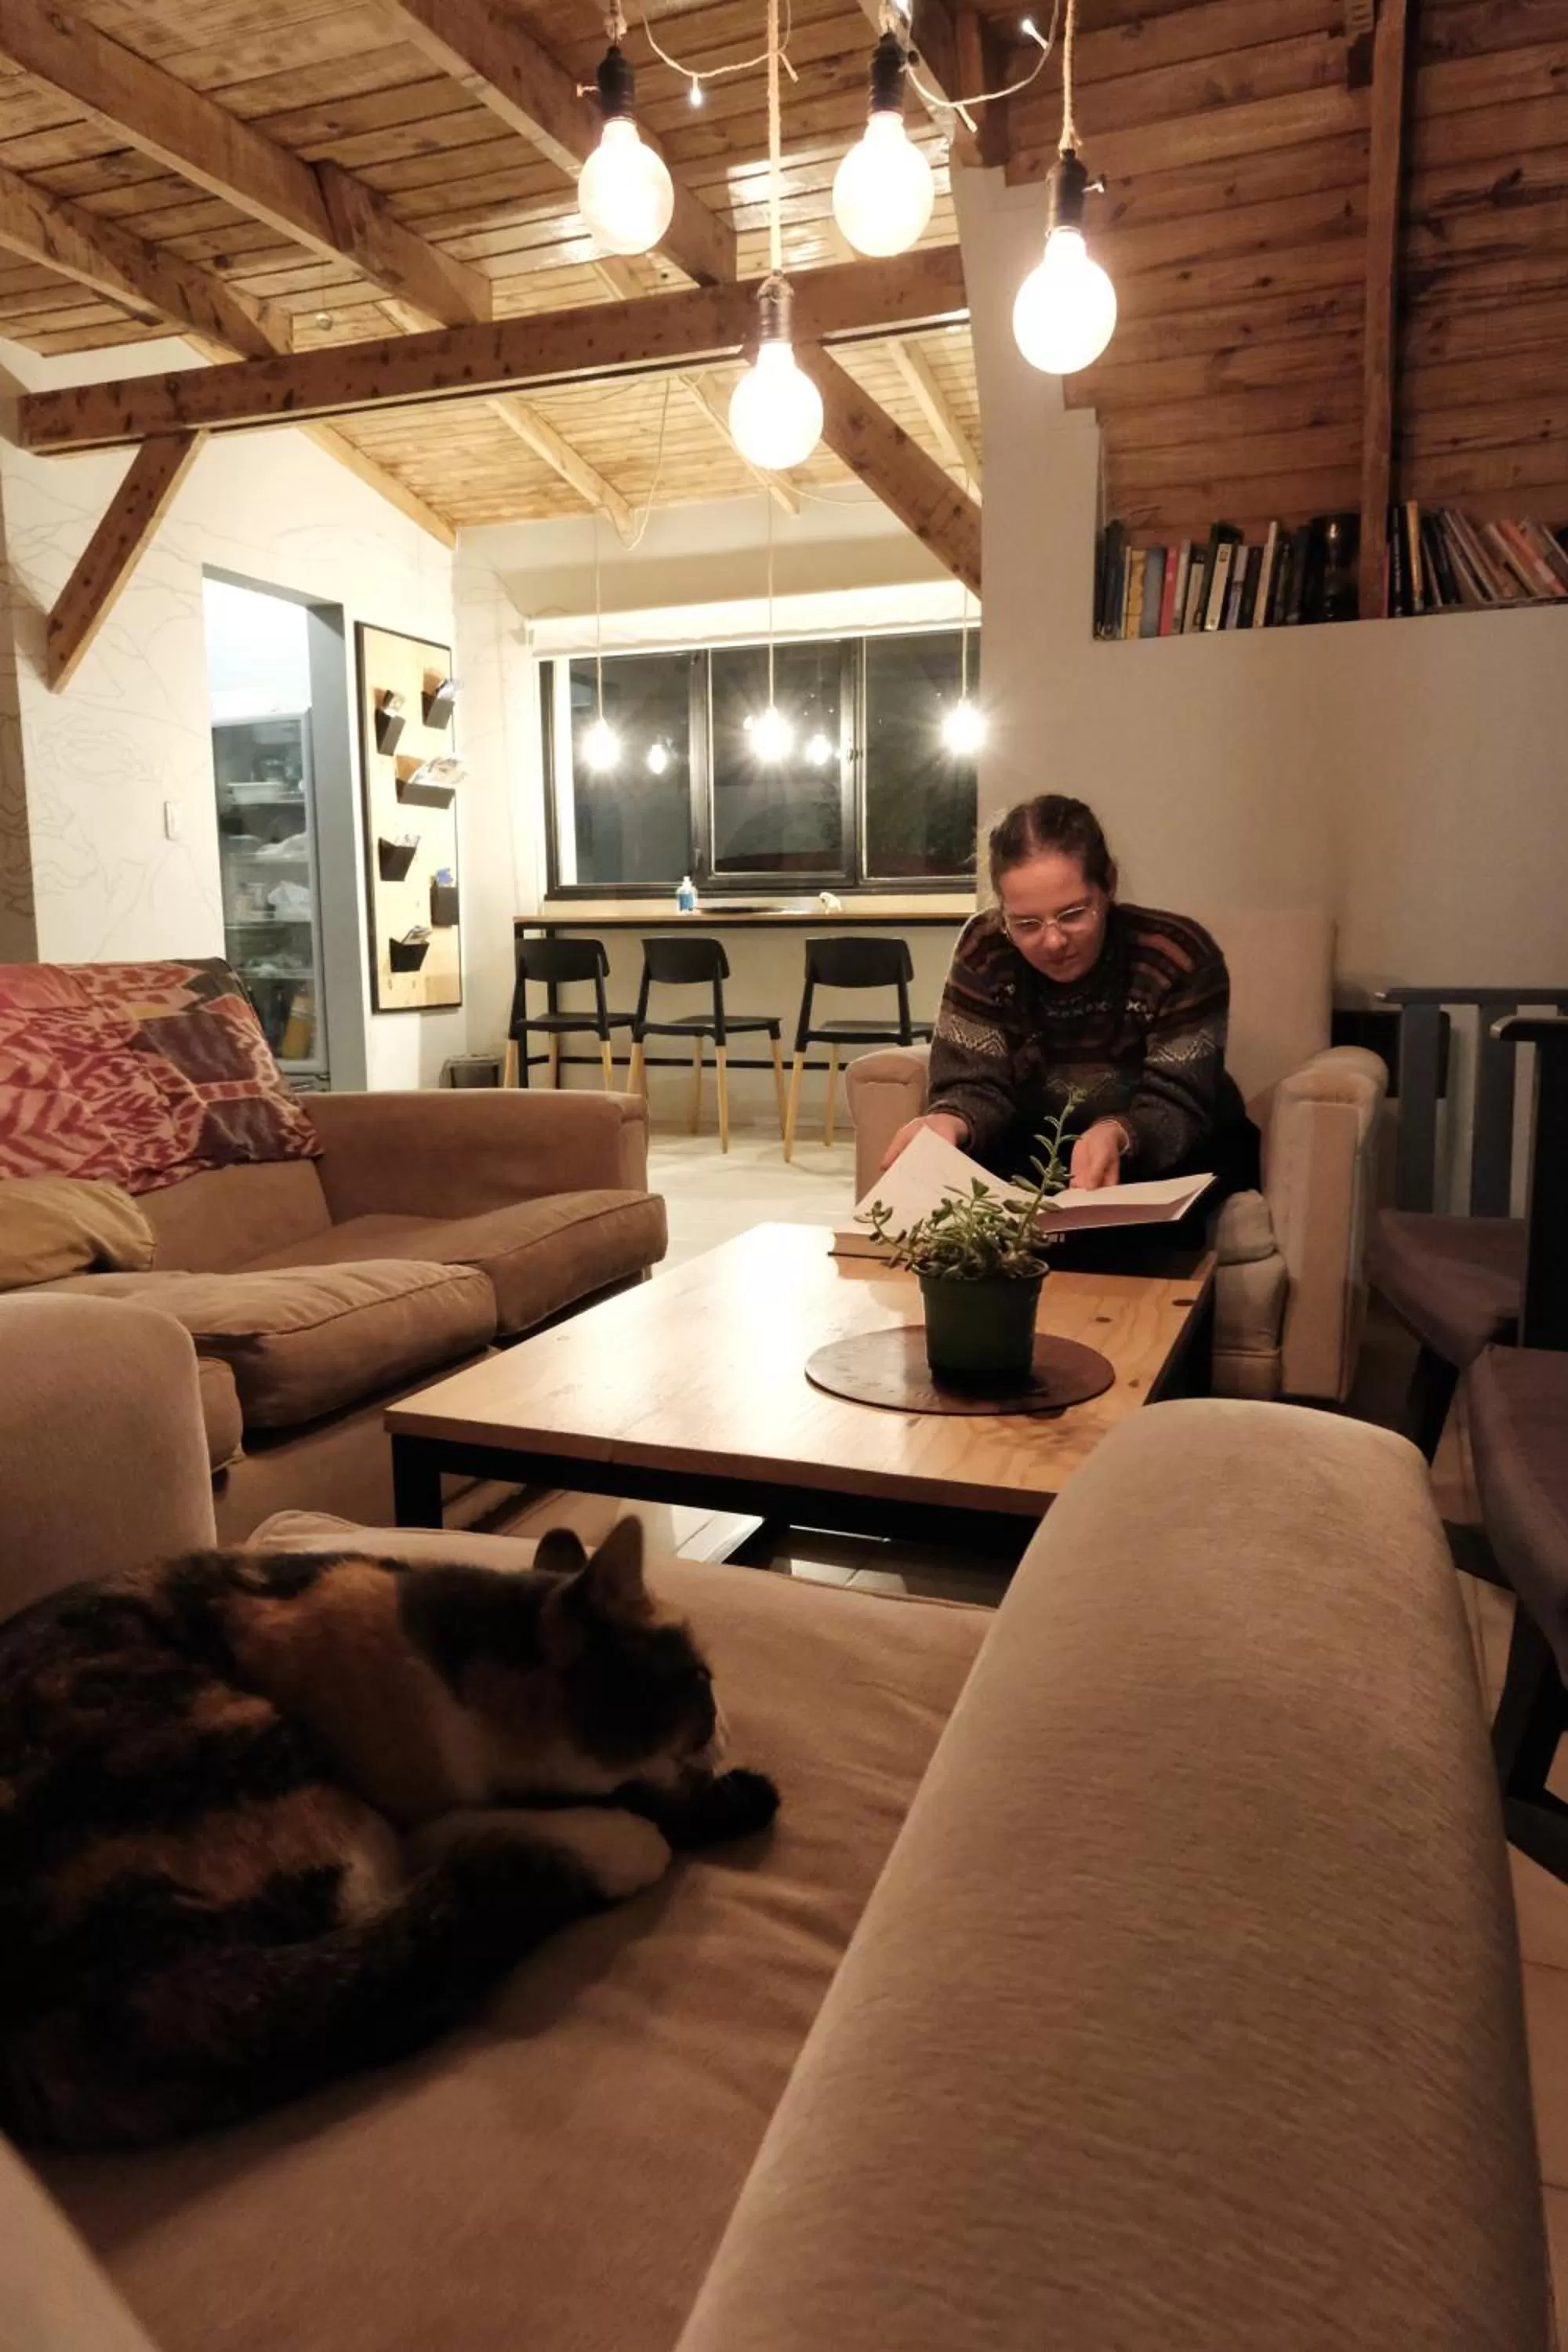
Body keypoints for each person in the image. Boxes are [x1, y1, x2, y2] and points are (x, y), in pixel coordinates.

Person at [883, 793, 1260, 1202]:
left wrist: (1118, 1133)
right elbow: (974, 1086)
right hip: (1041, 1142)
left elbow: (1180, 1105)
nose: (1053, 940)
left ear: (1108, 884)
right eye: (1026, 923)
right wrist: (950, 1119)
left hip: (1167, 1147)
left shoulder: (1176, 956)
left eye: (1074, 914)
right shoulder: (986, 949)